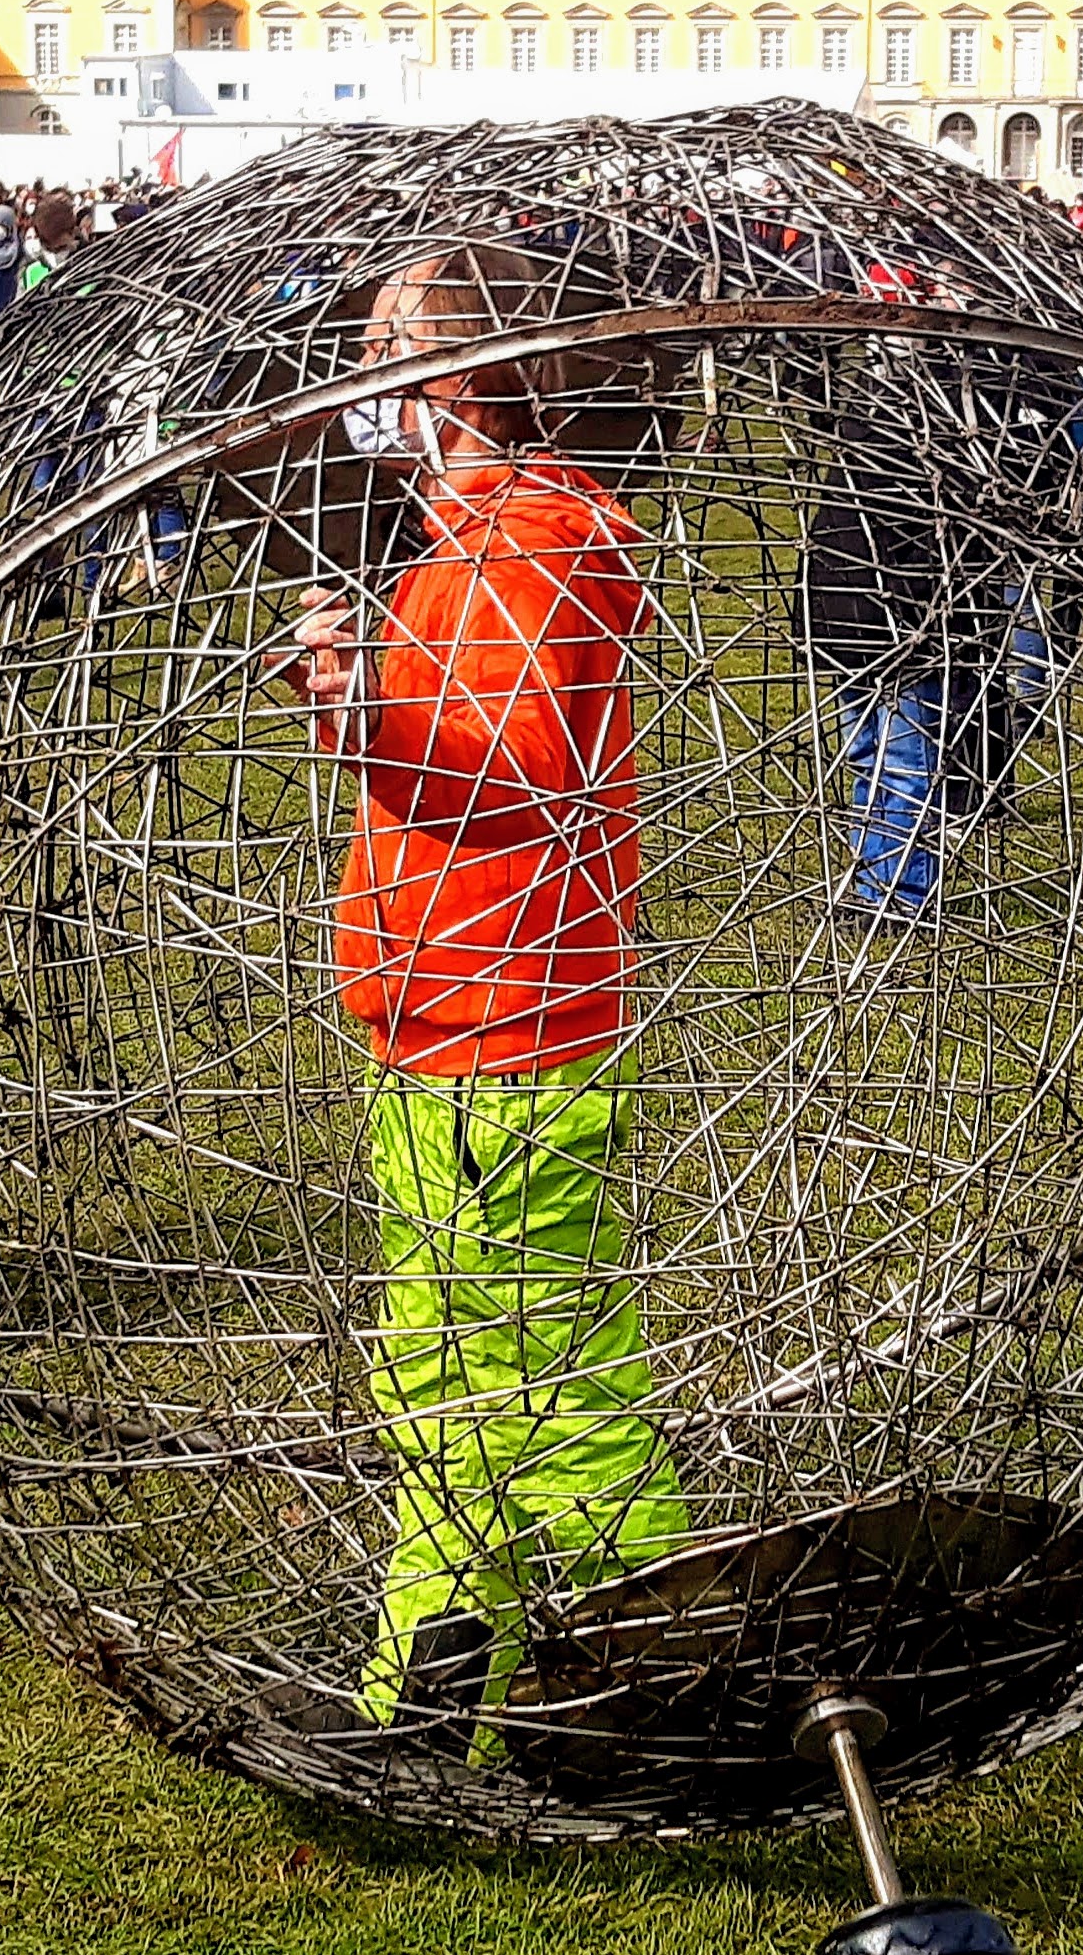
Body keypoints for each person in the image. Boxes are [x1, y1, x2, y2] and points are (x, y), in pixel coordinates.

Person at [288, 247, 683, 1738]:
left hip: (507, 1020)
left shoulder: (532, 542)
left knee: (549, 1380)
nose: (361, 387)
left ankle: (678, 1658)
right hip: (437, 1014)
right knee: (442, 1372)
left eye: (382, 350)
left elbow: (514, 773)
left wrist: (355, 709)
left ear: (453, 381)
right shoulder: (463, 540)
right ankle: (425, 1681)